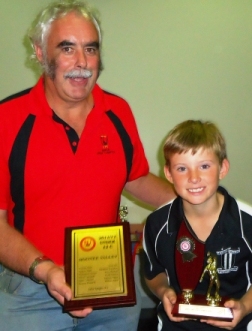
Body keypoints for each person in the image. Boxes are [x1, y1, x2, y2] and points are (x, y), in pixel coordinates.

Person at [0, 1, 175, 330]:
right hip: (32, 291)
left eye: (90, 49)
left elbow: (134, 178)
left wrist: (203, 205)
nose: (82, 63)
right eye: (67, 48)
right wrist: (45, 269)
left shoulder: (118, 111)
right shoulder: (6, 120)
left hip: (109, 289)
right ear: (39, 52)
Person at [143, 120, 252, 330]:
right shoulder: (157, 224)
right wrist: (163, 291)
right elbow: (152, 273)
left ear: (223, 168)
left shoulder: (247, 222)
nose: (194, 178)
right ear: (168, 173)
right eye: (182, 168)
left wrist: (244, 307)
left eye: (204, 166)